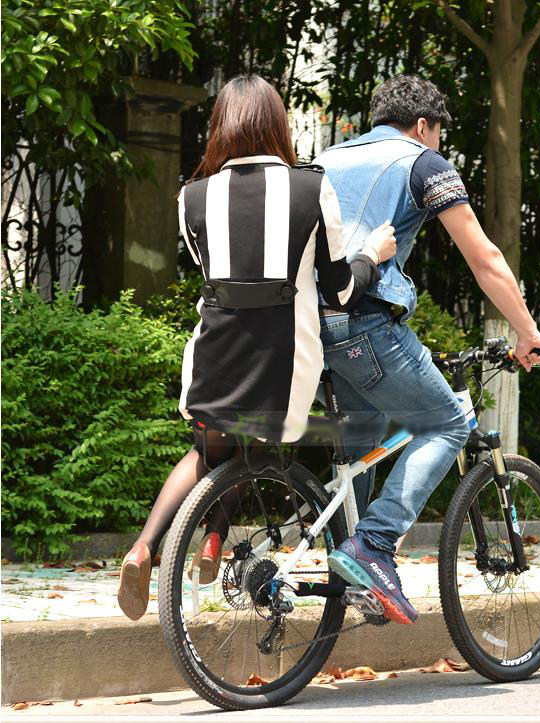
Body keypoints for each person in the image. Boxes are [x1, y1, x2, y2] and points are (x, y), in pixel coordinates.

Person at [116, 74, 397, 621]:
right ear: (276, 124)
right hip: (283, 355)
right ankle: (213, 540)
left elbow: (217, 274)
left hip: (214, 352)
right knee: (263, 447)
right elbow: (338, 290)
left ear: (221, 125)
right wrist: (373, 254)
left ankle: (145, 547)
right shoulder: (311, 187)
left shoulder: (190, 196)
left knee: (207, 450)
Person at [317, 75, 540, 625]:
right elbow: (484, 257)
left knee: (360, 452)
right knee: (446, 423)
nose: (440, 144)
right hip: (366, 327)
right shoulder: (421, 161)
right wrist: (527, 331)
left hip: (310, 328)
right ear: (424, 126)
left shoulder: (324, 157)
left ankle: (348, 572)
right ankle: (373, 547)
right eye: (439, 133)